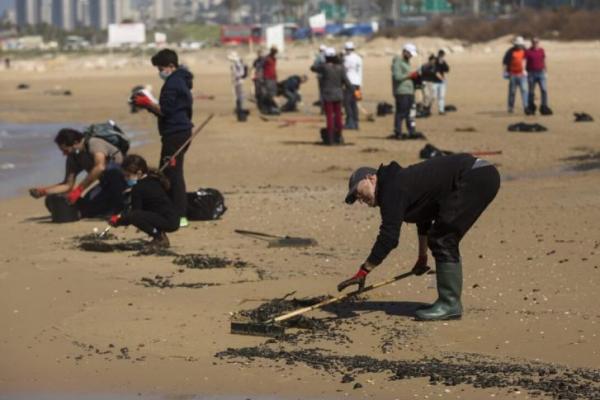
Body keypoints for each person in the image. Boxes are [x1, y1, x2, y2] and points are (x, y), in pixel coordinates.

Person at [338, 154, 500, 321]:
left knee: (443, 239)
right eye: (355, 199)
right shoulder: (397, 182)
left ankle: (449, 304)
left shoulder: (390, 188)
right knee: (442, 236)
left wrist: (364, 270)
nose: (359, 199)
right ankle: (449, 303)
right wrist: (422, 257)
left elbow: (389, 237)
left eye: (357, 191)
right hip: (480, 173)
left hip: (475, 175)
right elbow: (424, 218)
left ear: (371, 178)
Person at [132, 49, 193, 228]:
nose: (159, 72)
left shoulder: (174, 83)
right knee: (168, 172)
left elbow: (165, 110)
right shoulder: (181, 79)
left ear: (171, 66)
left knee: (172, 174)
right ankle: (171, 210)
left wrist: (146, 104)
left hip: (176, 133)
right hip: (179, 131)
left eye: (160, 68)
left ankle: (180, 215)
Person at [29, 127, 127, 218]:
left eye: (65, 150)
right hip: (105, 185)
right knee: (85, 204)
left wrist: (78, 191)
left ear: (75, 143)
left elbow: (100, 167)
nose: (64, 154)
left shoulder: (94, 143)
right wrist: (43, 191)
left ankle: (120, 207)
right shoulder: (73, 158)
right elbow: (67, 185)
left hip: (123, 181)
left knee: (112, 174)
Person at [109, 154, 179, 249]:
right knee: (143, 214)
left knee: (136, 216)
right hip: (172, 217)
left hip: (167, 221)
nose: (126, 179)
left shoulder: (138, 189)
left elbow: (135, 214)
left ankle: (159, 237)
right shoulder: (154, 179)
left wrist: (118, 221)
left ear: (139, 173)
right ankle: (159, 235)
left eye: (128, 176)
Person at [310, 47, 353, 145]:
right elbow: (346, 82)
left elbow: (313, 68)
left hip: (328, 95)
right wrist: (354, 91)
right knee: (338, 116)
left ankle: (330, 139)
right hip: (338, 95)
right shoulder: (340, 67)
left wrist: (319, 59)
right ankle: (339, 137)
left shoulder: (325, 67)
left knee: (329, 116)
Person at [392, 43, 418, 139]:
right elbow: (397, 77)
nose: (411, 56)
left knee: (410, 113)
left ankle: (411, 131)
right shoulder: (398, 62)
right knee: (401, 112)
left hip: (410, 91)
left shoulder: (407, 62)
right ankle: (398, 131)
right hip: (401, 91)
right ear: (405, 52)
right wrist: (410, 75)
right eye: (410, 53)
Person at [525, 37, 552, 115]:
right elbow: (524, 61)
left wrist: (546, 71)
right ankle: (531, 106)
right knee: (531, 91)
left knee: (544, 90)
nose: (535, 43)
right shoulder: (528, 51)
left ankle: (544, 106)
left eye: (537, 42)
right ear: (531, 43)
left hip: (541, 73)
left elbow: (544, 61)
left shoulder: (541, 50)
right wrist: (524, 71)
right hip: (531, 73)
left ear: (538, 43)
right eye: (534, 42)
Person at [503, 36, 528, 114]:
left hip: (522, 75)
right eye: (518, 45)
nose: (519, 46)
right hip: (512, 74)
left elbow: (530, 61)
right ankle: (510, 107)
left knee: (524, 91)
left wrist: (528, 71)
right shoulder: (510, 51)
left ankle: (526, 107)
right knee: (512, 92)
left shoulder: (526, 51)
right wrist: (505, 72)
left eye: (520, 45)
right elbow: (505, 62)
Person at [343, 41, 363, 130]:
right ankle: (355, 122)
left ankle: (350, 122)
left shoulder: (347, 58)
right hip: (357, 83)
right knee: (354, 103)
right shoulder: (359, 58)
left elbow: (344, 70)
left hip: (349, 83)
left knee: (347, 103)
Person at [228, 51, 249, 120]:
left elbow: (241, 72)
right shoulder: (236, 62)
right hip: (236, 81)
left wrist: (237, 76)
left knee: (239, 97)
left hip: (238, 82)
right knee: (238, 96)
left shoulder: (237, 63)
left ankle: (241, 111)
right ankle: (239, 109)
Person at [261, 46, 280, 115]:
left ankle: (272, 108)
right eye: (274, 51)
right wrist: (261, 78)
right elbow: (261, 67)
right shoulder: (266, 58)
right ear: (271, 51)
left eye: (276, 52)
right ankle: (266, 108)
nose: (275, 53)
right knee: (269, 94)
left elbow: (274, 68)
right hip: (267, 78)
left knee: (273, 94)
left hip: (273, 78)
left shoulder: (274, 59)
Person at [434, 50, 450, 115]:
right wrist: (438, 63)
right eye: (441, 55)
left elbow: (447, 70)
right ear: (438, 55)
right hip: (434, 81)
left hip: (442, 81)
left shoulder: (443, 61)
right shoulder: (434, 61)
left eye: (443, 56)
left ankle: (441, 110)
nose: (442, 57)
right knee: (432, 97)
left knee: (441, 96)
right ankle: (427, 109)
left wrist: (442, 63)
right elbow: (433, 70)